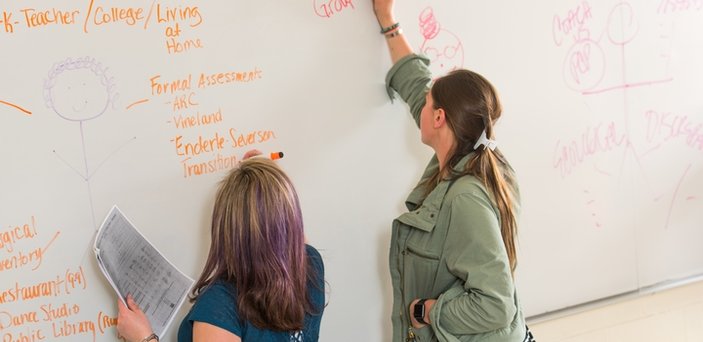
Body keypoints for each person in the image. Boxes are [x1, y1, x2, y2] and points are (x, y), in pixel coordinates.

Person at [372, 1, 534, 341]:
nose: (423, 105)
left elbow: (495, 304)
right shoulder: (480, 154)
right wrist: (388, 21)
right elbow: (419, 87)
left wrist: (426, 311)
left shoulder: (465, 198)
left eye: (430, 104)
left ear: (440, 118)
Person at [116, 152, 325, 342]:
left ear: (226, 228)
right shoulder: (310, 266)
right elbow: (288, 233)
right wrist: (268, 183)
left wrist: (144, 339)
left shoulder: (221, 306)